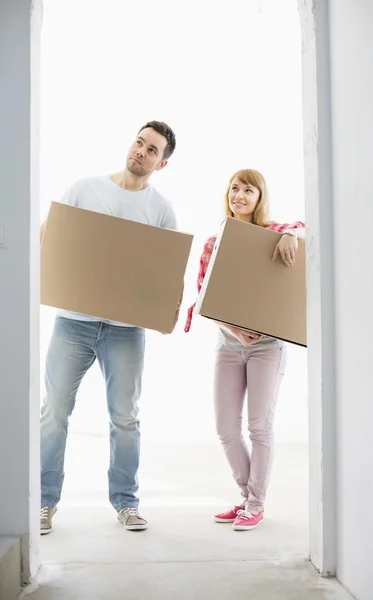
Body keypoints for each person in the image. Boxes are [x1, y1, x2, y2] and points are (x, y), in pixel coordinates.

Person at [40, 121, 180, 534]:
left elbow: (170, 273)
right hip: (73, 323)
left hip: (125, 330)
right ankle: (44, 503)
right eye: (139, 142)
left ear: (162, 162)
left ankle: (126, 503)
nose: (141, 151)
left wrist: (165, 314)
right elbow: (51, 235)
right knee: (54, 414)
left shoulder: (161, 209)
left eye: (152, 149)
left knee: (125, 418)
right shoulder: (86, 189)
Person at [185, 169, 305, 531]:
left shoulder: (273, 232)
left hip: (268, 348)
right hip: (229, 345)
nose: (239, 195)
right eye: (234, 188)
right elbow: (204, 294)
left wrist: (289, 234)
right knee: (226, 427)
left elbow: (302, 224)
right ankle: (245, 497)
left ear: (259, 197)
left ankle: (256, 503)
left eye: (247, 190)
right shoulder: (214, 241)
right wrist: (233, 329)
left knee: (259, 426)